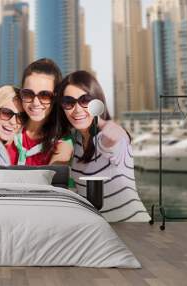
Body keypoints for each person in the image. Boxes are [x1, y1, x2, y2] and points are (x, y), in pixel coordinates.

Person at [56, 70, 150, 222]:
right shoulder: (78, 141)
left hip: (134, 229)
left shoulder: (109, 136)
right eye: (68, 102)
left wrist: (109, 133)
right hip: (103, 232)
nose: (77, 109)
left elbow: (112, 142)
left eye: (85, 100)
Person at [6, 58, 73, 166]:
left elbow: (54, 177)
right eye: (28, 93)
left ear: (55, 98)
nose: (35, 102)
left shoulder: (63, 142)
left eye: (45, 95)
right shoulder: (9, 127)